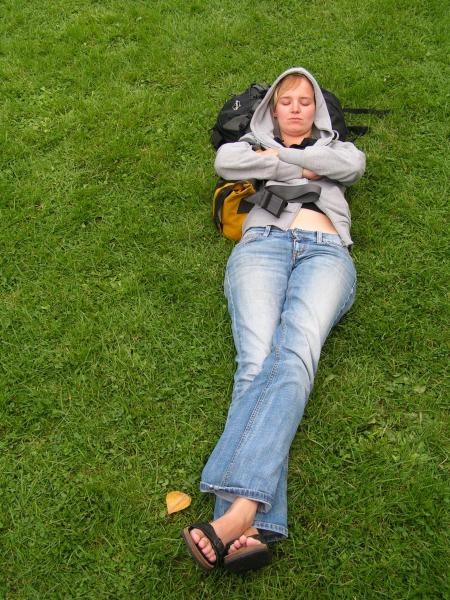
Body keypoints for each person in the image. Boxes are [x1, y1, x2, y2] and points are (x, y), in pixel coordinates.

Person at [182, 66, 366, 573]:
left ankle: (237, 513)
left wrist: (278, 163)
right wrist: (303, 167)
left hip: (326, 250)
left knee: (294, 354)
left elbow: (350, 166)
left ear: (317, 110)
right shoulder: (251, 144)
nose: (296, 109)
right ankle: (251, 523)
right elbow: (226, 161)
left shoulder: (336, 147)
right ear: (272, 110)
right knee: (255, 363)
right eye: (287, 101)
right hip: (261, 246)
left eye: (306, 101)